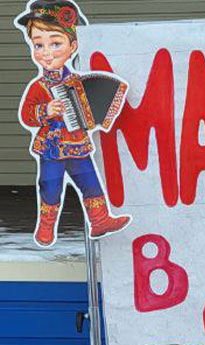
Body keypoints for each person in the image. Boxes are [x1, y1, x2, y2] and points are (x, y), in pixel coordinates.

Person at [15, 1, 130, 246]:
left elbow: (88, 111)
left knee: (90, 181)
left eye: (55, 44)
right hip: (51, 148)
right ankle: (46, 227)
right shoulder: (38, 87)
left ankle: (100, 220)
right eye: (38, 45)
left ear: (73, 46)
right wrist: (45, 110)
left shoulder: (77, 82)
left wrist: (92, 118)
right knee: (50, 186)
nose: (46, 52)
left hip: (77, 144)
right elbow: (26, 116)